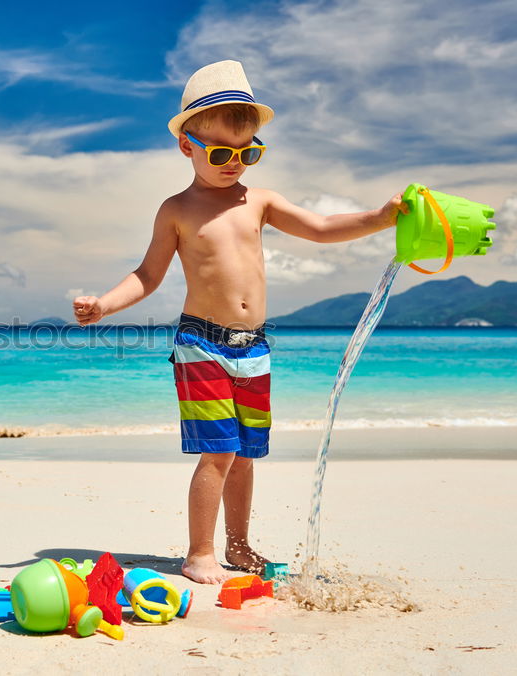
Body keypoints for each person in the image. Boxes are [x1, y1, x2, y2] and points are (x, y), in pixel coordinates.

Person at [72, 60, 407, 584]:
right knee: (219, 449)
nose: (236, 164)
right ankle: (199, 551)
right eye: (223, 153)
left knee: (246, 454)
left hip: (254, 347)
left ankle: (239, 546)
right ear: (188, 146)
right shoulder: (177, 209)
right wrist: (105, 306)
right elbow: (148, 274)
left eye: (248, 152)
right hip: (201, 342)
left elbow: (320, 228)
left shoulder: (260, 201)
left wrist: (381, 218)